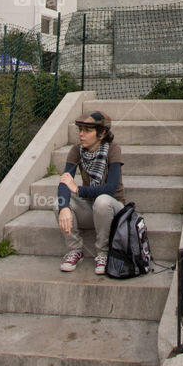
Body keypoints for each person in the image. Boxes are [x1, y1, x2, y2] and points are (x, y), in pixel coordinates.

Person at [55, 109, 125, 275]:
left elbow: (111, 188)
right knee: (59, 202)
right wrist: (64, 207)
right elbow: (65, 182)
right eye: (80, 130)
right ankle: (75, 251)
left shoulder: (113, 150)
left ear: (101, 134)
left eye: (87, 130)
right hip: (90, 208)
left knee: (102, 200)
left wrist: (78, 189)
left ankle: (103, 252)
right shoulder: (76, 151)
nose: (81, 134)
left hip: (113, 208)